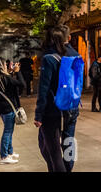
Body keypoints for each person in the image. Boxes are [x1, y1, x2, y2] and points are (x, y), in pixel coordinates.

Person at [34, 26, 68, 172]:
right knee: (47, 147)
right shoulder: (65, 58)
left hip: (50, 110)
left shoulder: (49, 59)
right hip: (65, 108)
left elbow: (43, 89)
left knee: (53, 152)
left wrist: (38, 114)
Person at [57, 24, 81, 172]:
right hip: (73, 101)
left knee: (53, 138)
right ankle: (69, 166)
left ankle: (59, 166)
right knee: (69, 137)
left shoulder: (55, 54)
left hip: (58, 101)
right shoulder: (76, 54)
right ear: (69, 38)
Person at [0, 58, 24, 164]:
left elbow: (10, 85)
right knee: (8, 132)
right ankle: (4, 156)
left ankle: (9, 152)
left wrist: (12, 72)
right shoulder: (6, 78)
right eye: (5, 64)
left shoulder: (0, 78)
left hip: (1, 109)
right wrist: (18, 72)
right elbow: (22, 84)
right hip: (8, 109)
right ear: (2, 66)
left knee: (9, 130)